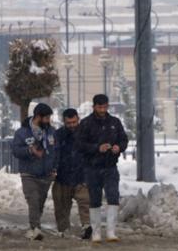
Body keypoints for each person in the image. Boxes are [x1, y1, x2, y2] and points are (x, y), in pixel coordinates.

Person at [76, 94, 128, 243]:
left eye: (105, 107)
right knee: (94, 199)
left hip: (110, 166)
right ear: (94, 107)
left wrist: (119, 147)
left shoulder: (115, 122)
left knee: (113, 196)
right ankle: (96, 232)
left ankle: (111, 231)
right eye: (100, 107)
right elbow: (80, 145)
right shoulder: (86, 123)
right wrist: (97, 148)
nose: (103, 110)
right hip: (92, 167)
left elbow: (124, 139)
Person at [12, 102, 58, 241]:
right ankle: (35, 228)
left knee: (40, 202)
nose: (48, 120)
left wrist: (54, 167)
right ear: (38, 117)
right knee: (33, 200)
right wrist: (29, 150)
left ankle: (35, 225)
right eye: (46, 118)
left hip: (46, 174)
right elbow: (15, 151)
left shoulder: (51, 132)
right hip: (29, 173)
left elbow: (56, 151)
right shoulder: (22, 132)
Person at [52, 108, 92, 239]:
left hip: (82, 175)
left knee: (85, 202)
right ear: (64, 122)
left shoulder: (86, 134)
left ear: (78, 119)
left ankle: (87, 226)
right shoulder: (58, 135)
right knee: (61, 206)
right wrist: (53, 168)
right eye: (69, 123)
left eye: (74, 122)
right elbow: (54, 153)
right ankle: (63, 230)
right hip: (62, 176)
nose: (72, 125)